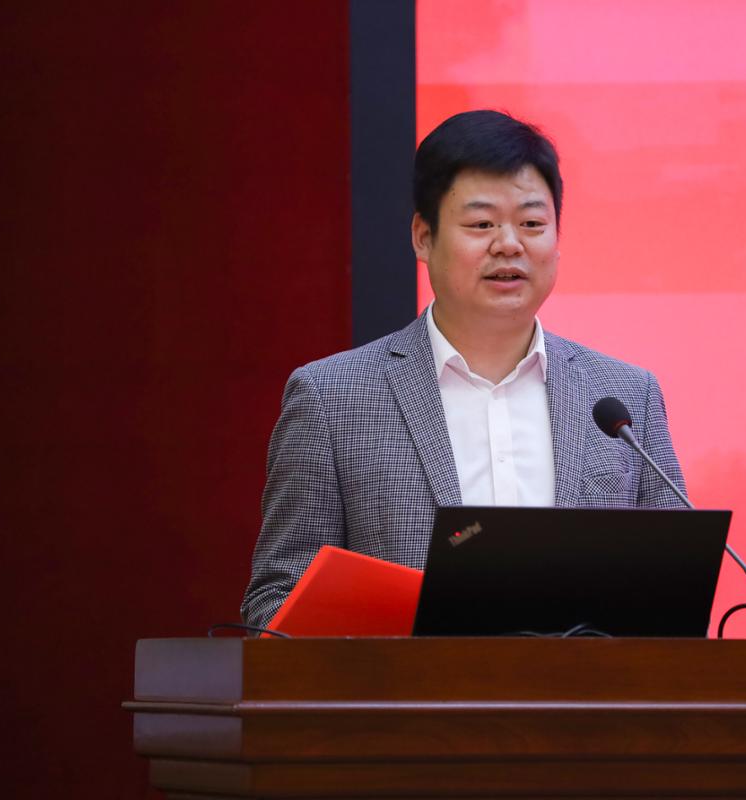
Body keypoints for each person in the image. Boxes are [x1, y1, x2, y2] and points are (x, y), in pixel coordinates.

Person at [241, 110, 687, 629]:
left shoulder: (623, 396)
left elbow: (675, 591)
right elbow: (276, 601)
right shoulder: (331, 397)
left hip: (581, 685)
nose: (509, 244)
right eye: (481, 224)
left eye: (532, 224)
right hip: (407, 683)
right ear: (423, 237)